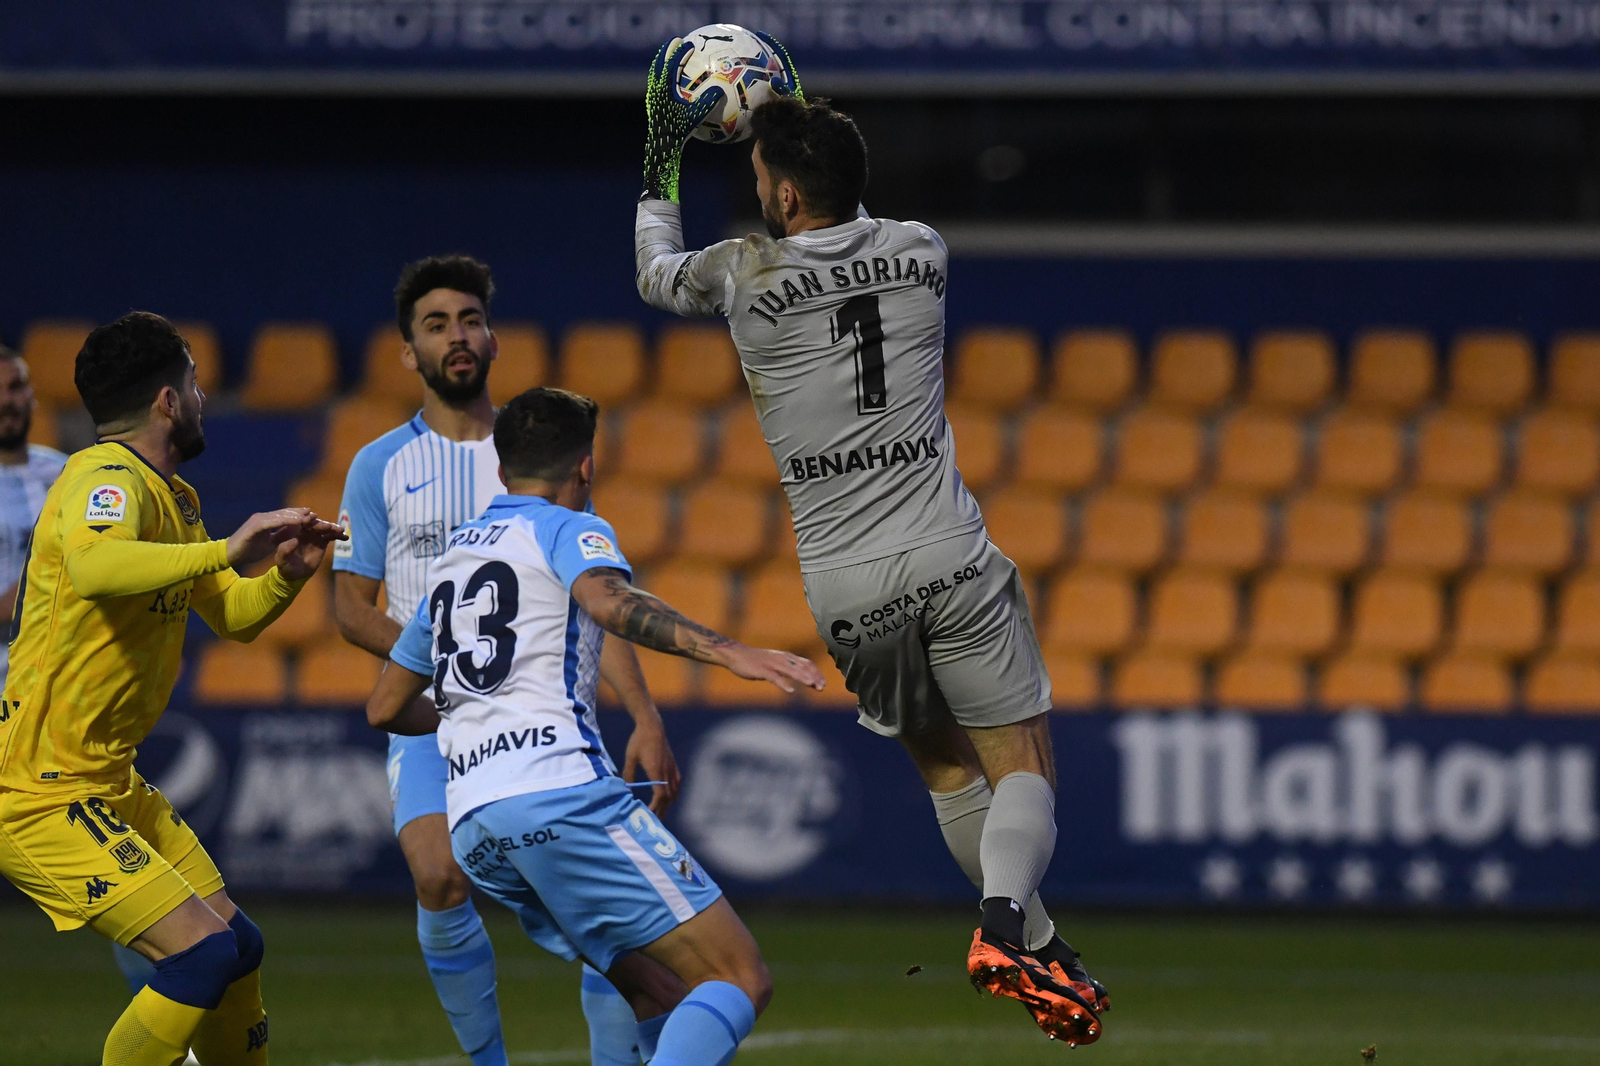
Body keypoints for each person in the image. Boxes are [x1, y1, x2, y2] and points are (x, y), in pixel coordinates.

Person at [632, 38, 1110, 1047]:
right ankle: (1005, 927)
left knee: (946, 769)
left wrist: (663, 147)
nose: (757, 189)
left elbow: (650, 274)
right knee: (1020, 758)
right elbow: (832, 186)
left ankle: (1032, 935)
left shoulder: (738, 272)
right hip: (945, 547)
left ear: (786, 199)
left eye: (762, 175)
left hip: (845, 582)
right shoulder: (923, 249)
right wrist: (791, 114)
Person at [367, 386, 824, 1066]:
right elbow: (607, 601)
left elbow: (384, 707)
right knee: (737, 978)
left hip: (476, 825)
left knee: (659, 990)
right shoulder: (565, 527)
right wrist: (734, 652)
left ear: (501, 469)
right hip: (561, 795)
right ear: (586, 466)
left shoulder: (453, 561)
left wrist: (478, 714)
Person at [332, 255, 684, 1066]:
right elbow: (351, 606)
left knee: (598, 911)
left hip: (546, 721)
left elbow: (593, 597)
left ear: (492, 338)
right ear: (406, 352)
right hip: (433, 720)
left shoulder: (535, 451)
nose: (456, 335)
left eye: (469, 319)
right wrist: (442, 665)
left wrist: (644, 714)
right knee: (437, 877)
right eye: (435, 324)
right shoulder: (379, 466)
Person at [0, 311, 344, 1066]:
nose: (199, 397)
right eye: (191, 383)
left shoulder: (174, 499)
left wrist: (285, 576)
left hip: (106, 782)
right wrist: (228, 546)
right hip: (39, 791)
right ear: (167, 400)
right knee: (200, 959)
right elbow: (94, 568)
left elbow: (234, 617)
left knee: (237, 949)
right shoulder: (103, 480)